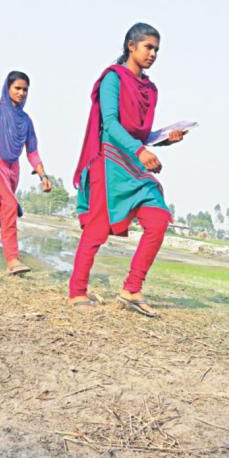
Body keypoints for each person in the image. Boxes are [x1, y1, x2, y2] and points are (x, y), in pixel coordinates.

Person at [68, 23, 186, 315]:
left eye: (157, 49)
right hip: (108, 162)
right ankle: (77, 291)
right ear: (131, 46)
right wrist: (139, 150)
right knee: (96, 230)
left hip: (134, 165)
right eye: (148, 47)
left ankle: (132, 288)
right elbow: (110, 124)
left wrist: (164, 140)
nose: (153, 53)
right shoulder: (113, 78)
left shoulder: (150, 88)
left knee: (159, 219)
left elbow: (139, 132)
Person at [0, 71, 52, 274]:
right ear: (7, 88)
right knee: (10, 205)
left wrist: (43, 175)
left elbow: (32, 150)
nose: (21, 93)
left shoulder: (26, 120)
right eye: (17, 88)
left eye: (25, 89)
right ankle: (12, 260)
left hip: (11, 174)